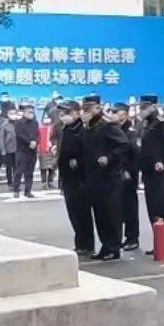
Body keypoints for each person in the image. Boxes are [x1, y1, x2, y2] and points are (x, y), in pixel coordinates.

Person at [83, 101, 131, 261]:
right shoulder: (88, 128)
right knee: (100, 215)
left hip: (109, 177)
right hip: (94, 177)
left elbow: (124, 144)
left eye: (88, 110)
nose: (84, 114)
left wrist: (109, 158)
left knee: (111, 214)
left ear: (96, 110)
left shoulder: (107, 126)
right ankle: (105, 246)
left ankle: (113, 248)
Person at [138, 95, 164, 257]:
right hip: (148, 174)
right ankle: (159, 243)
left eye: (145, 107)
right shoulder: (146, 125)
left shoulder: (162, 124)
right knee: (153, 211)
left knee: (162, 209)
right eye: (141, 107)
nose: (142, 110)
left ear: (153, 107)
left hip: (160, 174)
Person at [58, 100, 93, 256]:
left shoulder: (82, 129)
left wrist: (77, 161)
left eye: (66, 112)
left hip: (80, 178)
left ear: (75, 112)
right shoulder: (67, 128)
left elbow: (88, 152)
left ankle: (87, 244)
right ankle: (80, 243)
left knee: (82, 213)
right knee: (73, 213)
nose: (63, 115)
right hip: (68, 177)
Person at [114, 101, 141, 251]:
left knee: (130, 207)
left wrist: (128, 170)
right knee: (118, 207)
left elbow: (133, 152)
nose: (114, 114)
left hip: (128, 174)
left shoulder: (130, 131)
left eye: (117, 112)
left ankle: (132, 237)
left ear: (124, 114)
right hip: (116, 173)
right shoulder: (115, 129)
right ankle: (122, 237)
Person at [13, 103, 39, 199]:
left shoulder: (35, 123)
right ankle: (16, 190)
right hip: (22, 151)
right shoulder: (18, 123)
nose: (31, 113)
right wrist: (29, 142)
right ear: (24, 113)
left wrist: (35, 142)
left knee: (29, 172)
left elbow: (37, 134)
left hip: (32, 151)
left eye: (32, 112)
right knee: (19, 171)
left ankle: (28, 191)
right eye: (29, 112)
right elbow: (19, 134)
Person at [0, 107, 18, 190]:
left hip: (18, 149)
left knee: (16, 167)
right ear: (8, 115)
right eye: (11, 114)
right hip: (8, 149)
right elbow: (1, 138)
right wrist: (3, 149)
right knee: (9, 167)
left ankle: (16, 182)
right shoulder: (4, 125)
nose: (13, 115)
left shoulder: (19, 123)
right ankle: (9, 182)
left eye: (14, 113)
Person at [38, 114, 58, 189]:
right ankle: (43, 182)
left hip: (52, 149)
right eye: (45, 118)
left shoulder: (54, 127)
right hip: (42, 149)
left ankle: (50, 182)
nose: (46, 119)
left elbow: (56, 137)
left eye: (48, 118)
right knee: (43, 167)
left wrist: (55, 145)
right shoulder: (40, 127)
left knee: (52, 167)